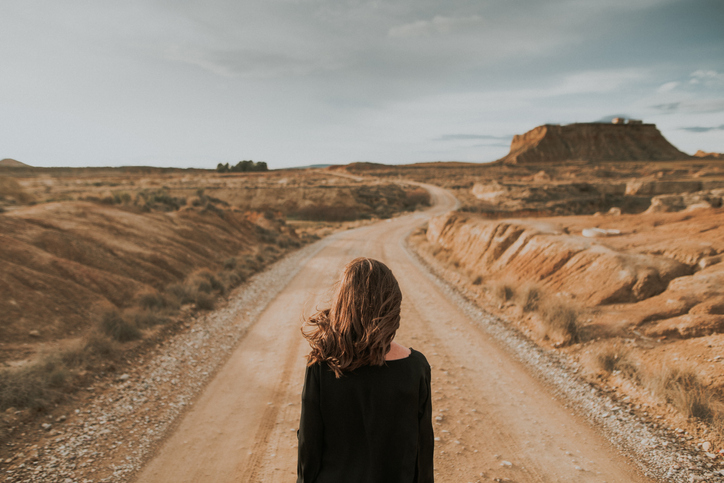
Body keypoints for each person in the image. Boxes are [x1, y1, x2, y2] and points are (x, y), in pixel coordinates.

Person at [297, 257, 434, 483]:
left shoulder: (322, 365)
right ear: (392, 305)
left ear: (343, 304)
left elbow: (308, 448)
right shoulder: (416, 367)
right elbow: (423, 451)